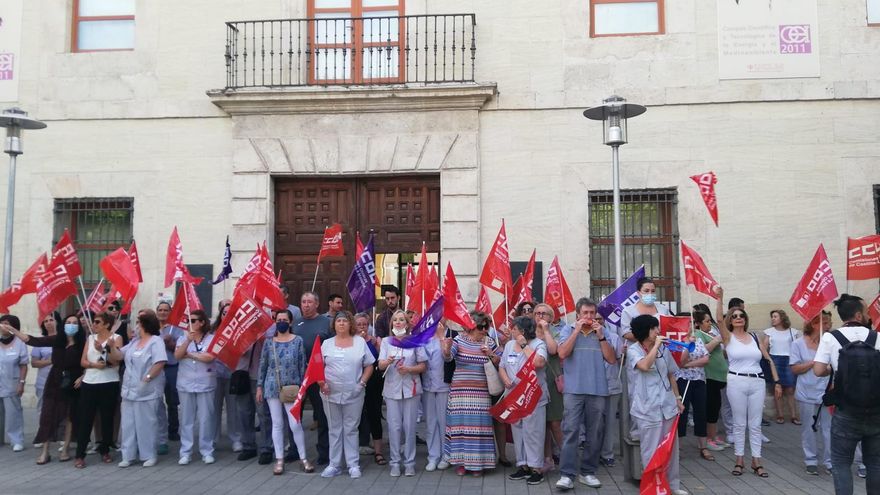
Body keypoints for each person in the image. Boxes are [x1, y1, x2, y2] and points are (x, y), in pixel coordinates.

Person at [813, 294, 880, 494]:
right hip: (876, 410)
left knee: (841, 462)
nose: (869, 315)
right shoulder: (877, 337)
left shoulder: (830, 337)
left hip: (846, 412)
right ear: (859, 315)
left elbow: (818, 370)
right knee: (875, 463)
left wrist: (832, 368)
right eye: (867, 312)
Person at [554, 298, 616, 490]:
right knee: (571, 431)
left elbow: (612, 359)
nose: (589, 317)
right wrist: (575, 331)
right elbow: (562, 353)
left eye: (592, 313)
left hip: (598, 389)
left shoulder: (602, 331)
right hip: (574, 389)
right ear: (578, 314)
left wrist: (601, 336)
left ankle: (588, 472)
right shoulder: (567, 329)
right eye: (585, 313)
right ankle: (567, 475)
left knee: (595, 433)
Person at [7, 313, 86, 464]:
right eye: (68, 322)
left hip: (73, 381)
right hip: (55, 380)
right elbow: (32, 340)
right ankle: (45, 451)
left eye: (74, 323)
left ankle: (65, 449)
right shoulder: (58, 339)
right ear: (63, 325)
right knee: (47, 415)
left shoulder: (83, 342)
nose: (71, 325)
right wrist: (13, 330)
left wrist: (83, 376)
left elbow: (90, 360)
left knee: (70, 416)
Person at [627, 315, 688, 495]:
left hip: (667, 406)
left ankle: (673, 485)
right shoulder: (633, 350)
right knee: (651, 451)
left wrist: (677, 398)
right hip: (647, 408)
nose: (657, 331)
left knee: (670, 449)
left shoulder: (663, 349)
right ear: (645, 331)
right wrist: (656, 347)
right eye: (654, 328)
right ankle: (653, 487)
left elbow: (671, 374)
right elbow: (645, 365)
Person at [718, 309, 781, 477]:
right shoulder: (728, 337)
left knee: (755, 424)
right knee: (739, 423)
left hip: (757, 381)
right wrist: (719, 298)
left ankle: (756, 461)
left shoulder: (754, 337)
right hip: (736, 381)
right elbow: (718, 319)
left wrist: (777, 382)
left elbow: (767, 358)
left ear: (745, 319)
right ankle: (739, 460)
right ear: (730, 320)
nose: (738, 318)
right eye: (734, 316)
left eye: (741, 316)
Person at [442, 311, 500, 476]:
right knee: (461, 427)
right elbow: (448, 358)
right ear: (470, 326)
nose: (483, 330)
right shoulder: (458, 340)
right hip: (460, 392)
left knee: (479, 428)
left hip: (481, 392)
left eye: (486, 326)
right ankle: (462, 463)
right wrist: (445, 349)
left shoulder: (489, 341)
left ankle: (478, 465)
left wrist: (491, 354)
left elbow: (500, 361)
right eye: (480, 326)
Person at [256, 309, 312, 475]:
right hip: (272, 386)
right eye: (278, 319)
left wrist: (303, 387)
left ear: (290, 322)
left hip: (292, 387)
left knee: (295, 424)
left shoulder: (298, 341)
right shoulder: (269, 342)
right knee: (277, 423)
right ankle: (279, 459)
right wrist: (259, 386)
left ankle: (303, 458)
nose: (281, 322)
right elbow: (263, 365)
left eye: (284, 319)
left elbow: (302, 364)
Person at [319, 311, 374, 478]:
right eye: (338, 321)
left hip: (354, 393)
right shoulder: (326, 344)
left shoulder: (359, 342)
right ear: (334, 324)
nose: (341, 323)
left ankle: (353, 464)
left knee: (351, 428)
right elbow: (316, 367)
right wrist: (321, 383)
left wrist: (362, 383)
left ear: (350, 323)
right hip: (330, 393)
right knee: (334, 428)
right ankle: (334, 464)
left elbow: (369, 365)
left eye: (344, 321)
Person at [378, 309, 427, 477]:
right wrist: (388, 361)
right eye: (395, 320)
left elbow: (423, 366)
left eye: (401, 320)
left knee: (409, 426)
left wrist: (409, 369)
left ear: (407, 324)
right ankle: (395, 462)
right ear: (392, 324)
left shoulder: (414, 341)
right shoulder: (386, 342)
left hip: (411, 389)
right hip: (392, 390)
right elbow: (380, 366)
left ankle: (410, 463)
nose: (398, 322)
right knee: (394, 427)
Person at [500, 316, 548, 485]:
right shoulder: (507, 345)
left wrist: (523, 345)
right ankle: (523, 465)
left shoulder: (538, 344)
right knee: (518, 432)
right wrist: (505, 378)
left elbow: (539, 363)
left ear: (523, 331)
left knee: (533, 432)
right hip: (514, 396)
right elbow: (502, 366)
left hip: (532, 396)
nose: (511, 330)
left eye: (514, 328)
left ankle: (536, 468)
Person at [117, 310, 167, 468]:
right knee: (128, 424)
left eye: (138, 323)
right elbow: (118, 356)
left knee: (146, 423)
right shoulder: (133, 342)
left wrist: (147, 378)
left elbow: (159, 362)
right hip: (129, 390)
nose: (135, 326)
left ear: (145, 324)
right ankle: (128, 455)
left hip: (147, 390)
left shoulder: (156, 341)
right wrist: (109, 347)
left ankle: (149, 454)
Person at [74, 311, 122, 468]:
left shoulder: (116, 338)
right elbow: (82, 361)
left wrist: (103, 349)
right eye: (94, 322)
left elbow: (117, 361)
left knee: (107, 418)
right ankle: (80, 454)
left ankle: (105, 449)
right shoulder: (90, 338)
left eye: (97, 322)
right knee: (86, 418)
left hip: (109, 382)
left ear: (107, 324)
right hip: (90, 382)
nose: (93, 324)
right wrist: (94, 365)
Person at [790, 311, 832, 475]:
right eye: (826, 323)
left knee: (829, 429)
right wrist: (814, 363)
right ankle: (811, 460)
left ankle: (830, 461)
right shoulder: (798, 344)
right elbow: (794, 368)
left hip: (827, 392)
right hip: (806, 392)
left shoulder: (829, 343)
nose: (829, 326)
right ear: (815, 324)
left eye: (829, 322)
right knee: (808, 428)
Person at [174, 309, 217, 465]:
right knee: (186, 419)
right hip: (185, 384)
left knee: (206, 418)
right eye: (188, 321)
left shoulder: (211, 339)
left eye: (193, 320)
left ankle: (207, 450)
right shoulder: (182, 339)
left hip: (205, 383)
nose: (190, 323)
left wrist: (191, 355)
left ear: (202, 323)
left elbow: (209, 357)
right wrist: (187, 342)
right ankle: (185, 451)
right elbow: (177, 356)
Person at [294, 291, 332, 465]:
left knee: (322, 416)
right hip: (298, 376)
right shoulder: (295, 323)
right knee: (295, 415)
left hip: (318, 376)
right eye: (303, 302)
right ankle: (294, 450)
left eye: (309, 302)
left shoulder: (326, 323)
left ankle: (323, 452)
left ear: (317, 304)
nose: (306, 305)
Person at [675, 313, 712, 461]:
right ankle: (678, 447)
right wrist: (687, 346)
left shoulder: (699, 340)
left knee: (701, 412)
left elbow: (705, 359)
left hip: (699, 379)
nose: (689, 326)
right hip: (683, 380)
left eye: (690, 323)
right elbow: (679, 361)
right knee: (682, 414)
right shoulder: (677, 341)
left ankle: (703, 446)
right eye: (685, 323)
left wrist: (688, 364)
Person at [691, 309, 727, 453]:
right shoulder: (698, 334)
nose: (709, 324)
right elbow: (702, 350)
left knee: (715, 407)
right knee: (711, 408)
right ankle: (709, 439)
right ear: (698, 323)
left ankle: (714, 435)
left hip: (718, 377)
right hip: (709, 376)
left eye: (710, 321)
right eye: (706, 321)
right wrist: (716, 340)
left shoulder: (709, 333)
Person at [534, 303, 563, 473]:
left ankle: (567, 457)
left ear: (551, 318)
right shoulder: (529, 333)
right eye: (537, 313)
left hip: (552, 382)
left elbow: (553, 350)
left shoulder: (556, 332)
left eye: (544, 313)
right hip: (535, 383)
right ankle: (547, 458)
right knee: (542, 425)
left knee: (555, 423)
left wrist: (545, 331)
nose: (540, 316)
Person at [355, 312, 386, 465]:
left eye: (365, 324)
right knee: (355, 417)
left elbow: (381, 359)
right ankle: (354, 450)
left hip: (374, 382)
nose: (362, 327)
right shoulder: (352, 341)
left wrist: (378, 345)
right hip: (355, 381)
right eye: (359, 324)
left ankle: (378, 451)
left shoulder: (373, 341)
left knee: (374, 414)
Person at [211, 300, 241, 453]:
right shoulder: (212, 331)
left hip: (232, 374)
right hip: (215, 374)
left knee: (233, 408)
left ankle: (236, 439)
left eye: (230, 313)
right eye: (224, 313)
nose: (226, 316)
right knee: (214, 408)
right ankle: (212, 439)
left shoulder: (239, 330)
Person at [421, 318, 451, 472]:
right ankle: (433, 456)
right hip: (428, 385)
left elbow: (448, 357)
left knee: (444, 422)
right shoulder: (424, 337)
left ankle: (446, 455)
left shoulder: (451, 334)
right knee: (431, 423)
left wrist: (441, 338)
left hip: (444, 386)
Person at [595, 313, 624, 468]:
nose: (598, 321)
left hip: (611, 385)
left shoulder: (614, 337)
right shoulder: (586, 337)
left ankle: (607, 454)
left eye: (600, 318)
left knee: (609, 422)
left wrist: (624, 353)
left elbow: (619, 360)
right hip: (593, 387)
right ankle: (594, 452)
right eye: (595, 319)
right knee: (595, 423)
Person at [762, 309, 800, 424]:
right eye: (772, 317)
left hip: (789, 360)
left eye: (775, 316)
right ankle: (780, 415)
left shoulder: (793, 332)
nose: (773, 319)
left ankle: (794, 415)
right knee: (777, 389)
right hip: (775, 360)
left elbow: (797, 347)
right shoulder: (769, 332)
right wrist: (768, 359)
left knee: (790, 389)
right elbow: (763, 347)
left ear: (782, 318)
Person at [0, 315, 29, 453]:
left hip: (12, 382)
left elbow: (23, 365)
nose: (3, 326)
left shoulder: (19, 343)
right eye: (1, 323)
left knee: (13, 413)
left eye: (6, 324)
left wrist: (21, 383)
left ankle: (17, 440)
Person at [156, 301, 182, 451]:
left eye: (166, 310)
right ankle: (160, 431)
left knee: (172, 400)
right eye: (160, 310)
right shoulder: (152, 328)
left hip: (171, 366)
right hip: (157, 368)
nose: (163, 312)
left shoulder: (176, 329)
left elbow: (178, 348)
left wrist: (169, 342)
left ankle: (173, 430)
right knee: (157, 400)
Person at [620, 277, 672, 342]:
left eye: (653, 291)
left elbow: (671, 327)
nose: (650, 294)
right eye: (646, 291)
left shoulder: (663, 309)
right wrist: (649, 339)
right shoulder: (628, 311)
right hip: (637, 350)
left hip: (661, 348)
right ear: (638, 293)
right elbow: (626, 334)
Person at [31, 313, 58, 425]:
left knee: (60, 408)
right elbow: (34, 363)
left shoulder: (64, 340)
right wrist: (50, 361)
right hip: (43, 381)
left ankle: (59, 435)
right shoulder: (40, 342)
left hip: (60, 380)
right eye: (45, 321)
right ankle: (42, 434)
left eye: (51, 320)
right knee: (42, 408)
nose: (48, 323)